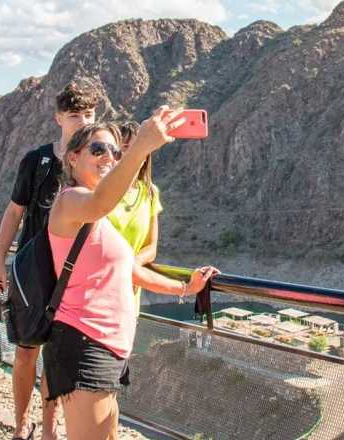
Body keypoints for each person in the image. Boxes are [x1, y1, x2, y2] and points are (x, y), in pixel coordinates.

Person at [44, 117, 218, 439]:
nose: (109, 157)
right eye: (98, 149)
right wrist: (141, 147)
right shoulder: (71, 201)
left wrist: (185, 287)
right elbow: (100, 201)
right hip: (84, 343)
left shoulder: (99, 221)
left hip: (109, 346)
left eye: (115, 152)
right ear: (73, 157)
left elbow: (128, 270)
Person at [0, 82, 97, 440]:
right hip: (35, 272)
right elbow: (14, 212)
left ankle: (50, 429)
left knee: (55, 356)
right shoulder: (37, 161)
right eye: (75, 115)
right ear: (58, 118)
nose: (83, 121)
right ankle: (22, 425)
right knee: (25, 352)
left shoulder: (94, 163)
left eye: (89, 114)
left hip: (73, 276)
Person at [109, 121, 163, 314]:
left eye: (138, 147)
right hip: (96, 289)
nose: (132, 153)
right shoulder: (99, 190)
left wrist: (130, 265)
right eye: (125, 148)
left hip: (128, 295)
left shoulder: (150, 193)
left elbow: (151, 248)